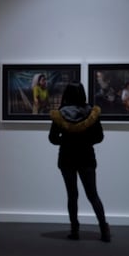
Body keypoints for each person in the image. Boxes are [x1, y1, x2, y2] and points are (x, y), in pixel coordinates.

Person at [48, 82, 110, 242]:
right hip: (86, 157)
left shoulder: (60, 115)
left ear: (66, 94)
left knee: (72, 195)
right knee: (93, 195)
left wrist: (67, 140)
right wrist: (84, 140)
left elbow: (53, 139)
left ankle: (74, 231)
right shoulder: (92, 114)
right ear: (82, 94)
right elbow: (99, 137)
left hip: (67, 158)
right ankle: (104, 230)